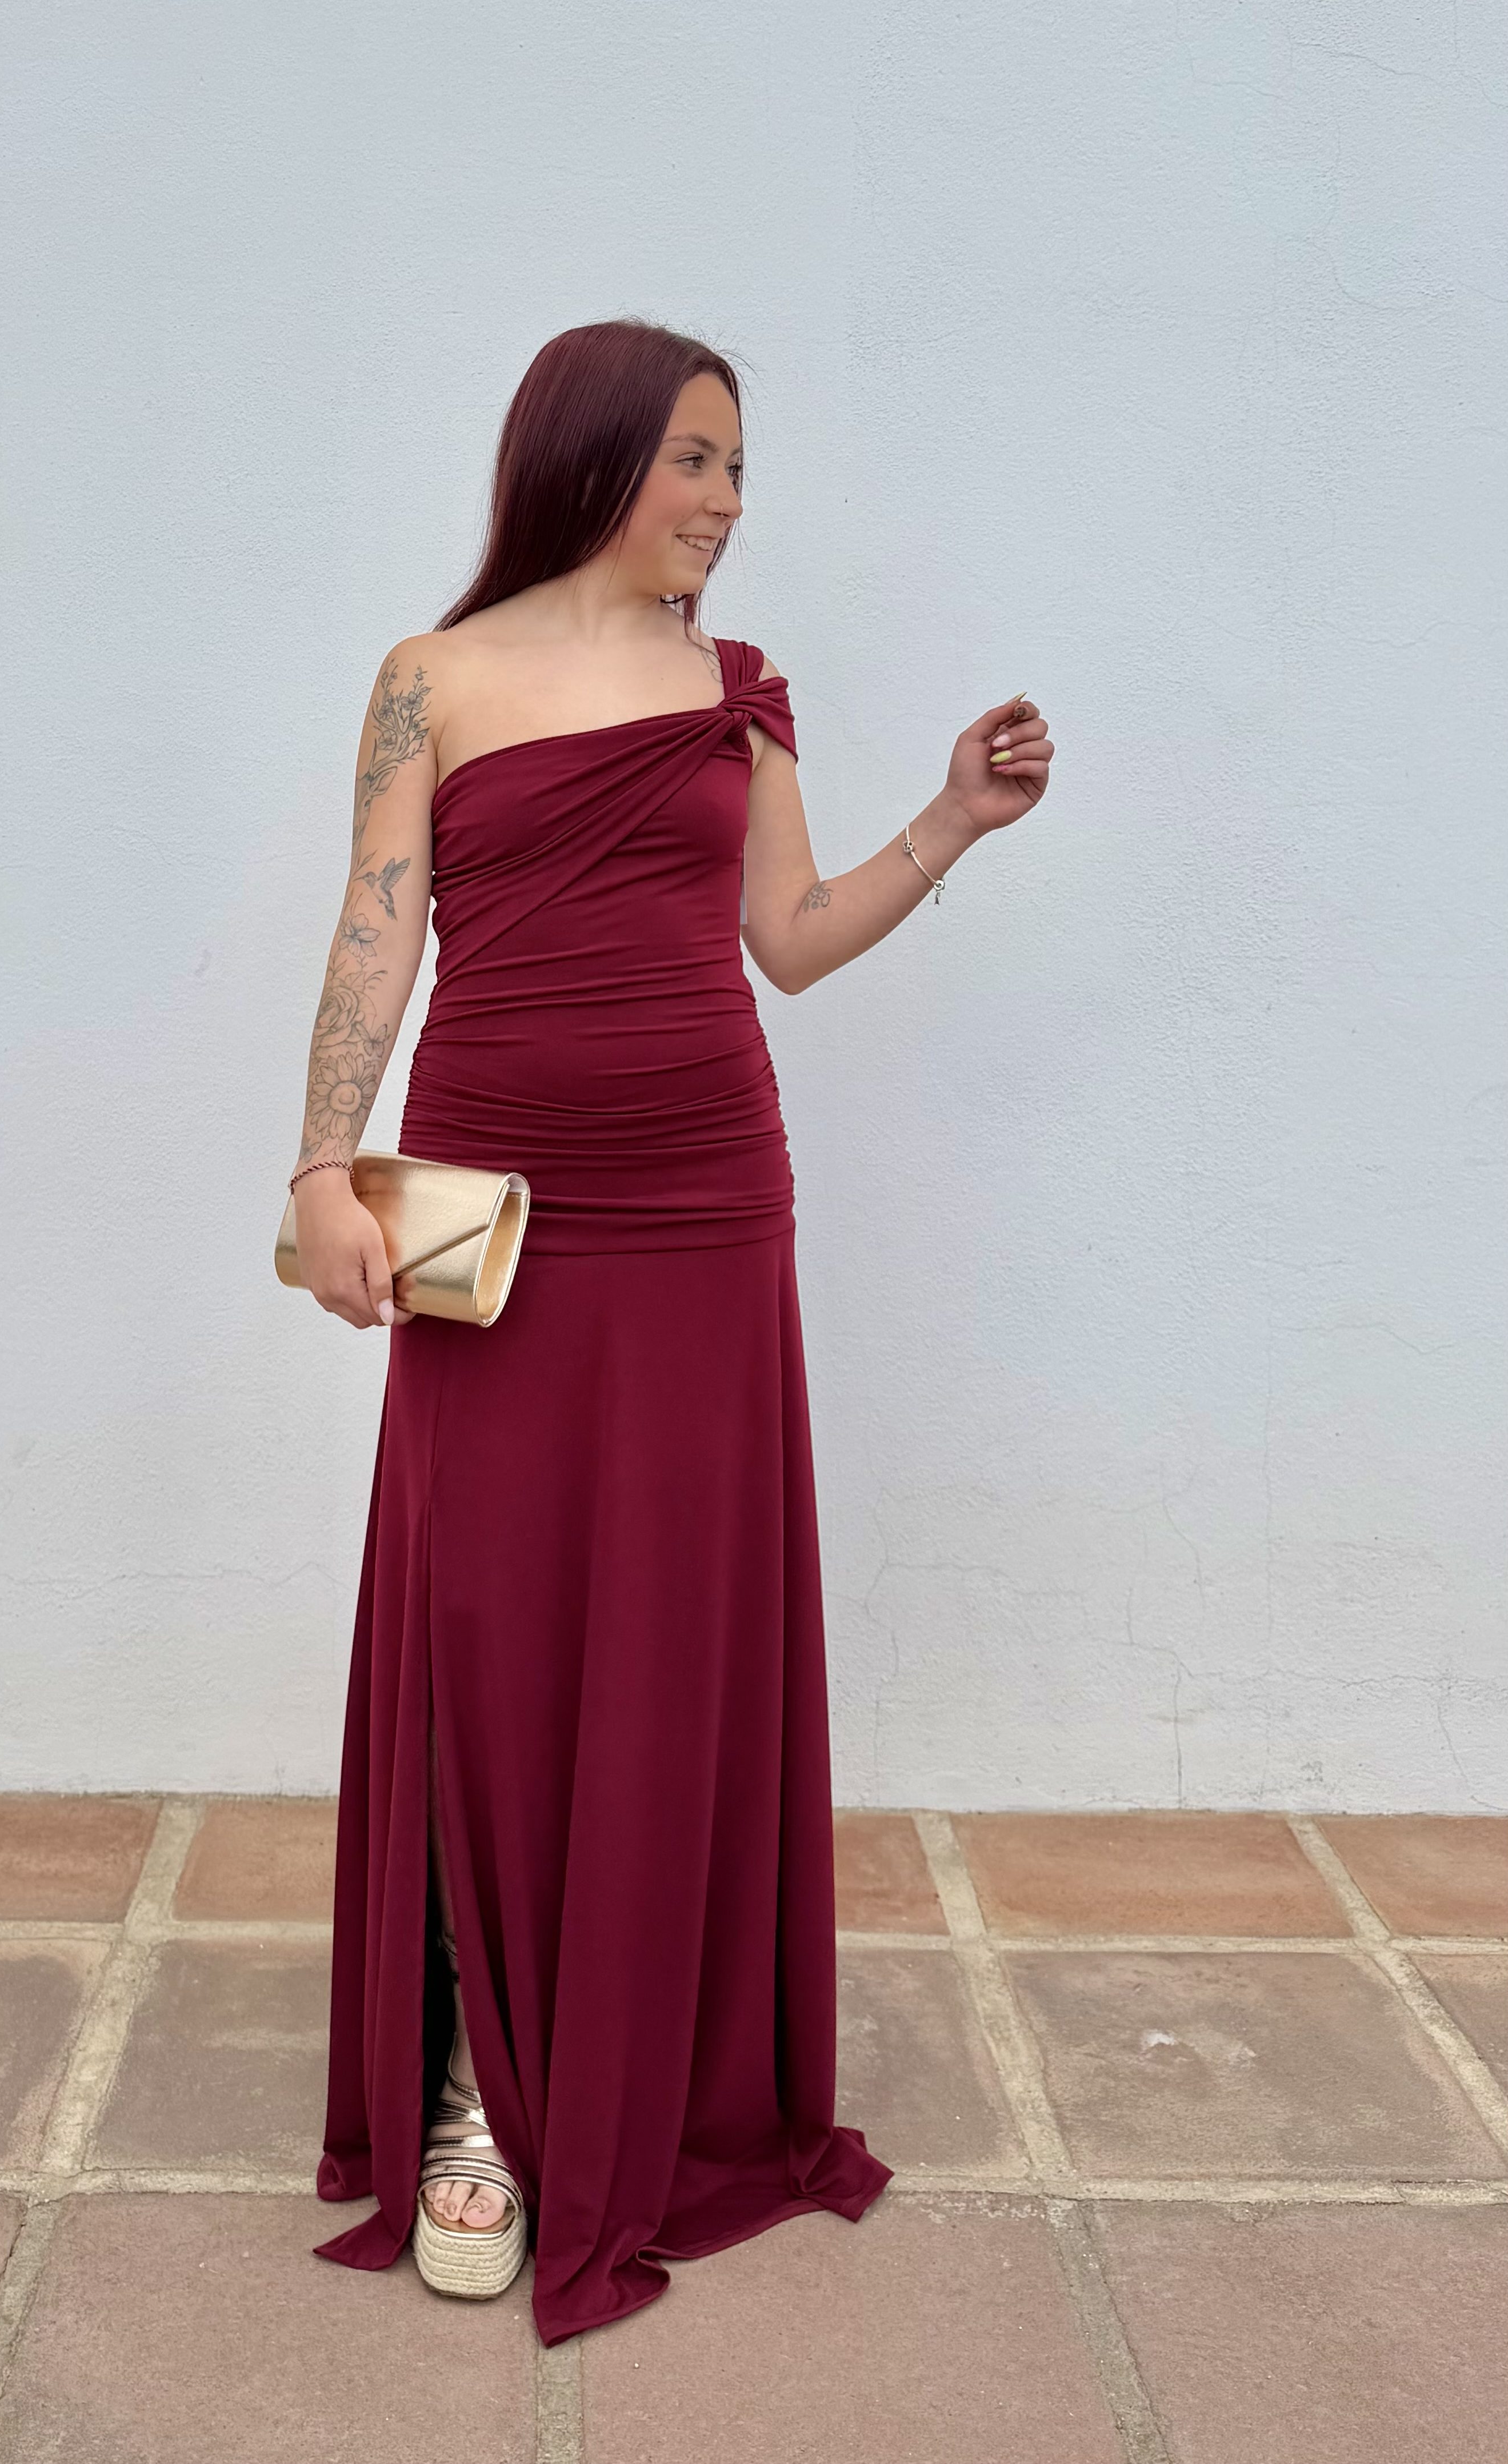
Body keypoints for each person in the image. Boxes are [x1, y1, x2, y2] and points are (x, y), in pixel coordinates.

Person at [287, 318, 1055, 2345]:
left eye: (738, 469)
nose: (724, 501)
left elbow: (785, 941)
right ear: (595, 452)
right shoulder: (431, 676)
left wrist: (949, 824)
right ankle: (477, 2084)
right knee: (490, 1632)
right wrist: (320, 1164)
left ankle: (642, 2066)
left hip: (710, 1203)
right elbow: (377, 929)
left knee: (664, 1642)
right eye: (694, 460)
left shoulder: (739, 690)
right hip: (497, 1212)